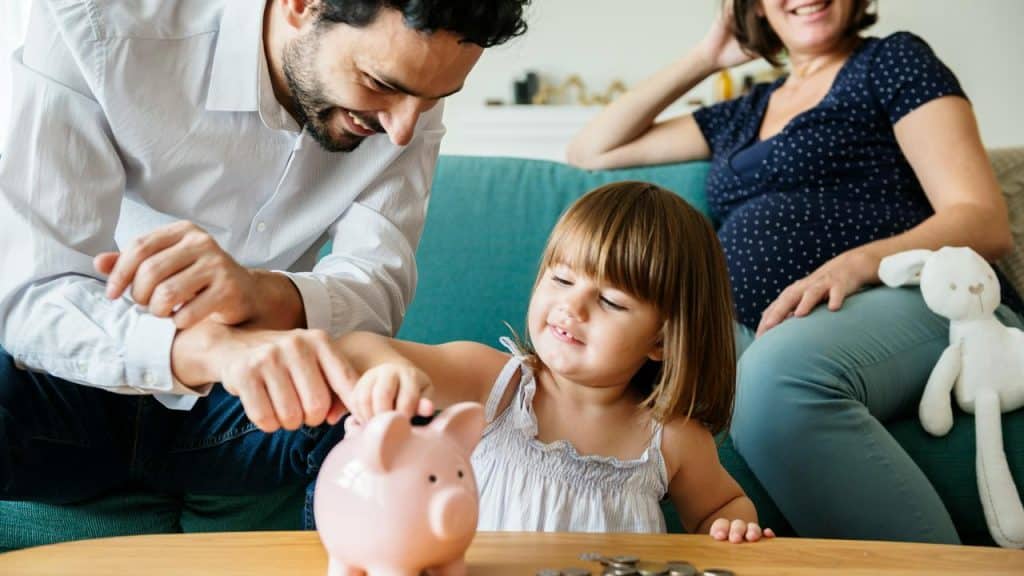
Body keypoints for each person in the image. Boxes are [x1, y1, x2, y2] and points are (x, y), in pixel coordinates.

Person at [0, 0, 529, 529]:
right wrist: (209, 349)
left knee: (375, 413)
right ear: (303, 7)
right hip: (67, 395)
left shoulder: (408, 101)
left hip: (242, 416)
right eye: (378, 84)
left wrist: (260, 294)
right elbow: (33, 294)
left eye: (433, 101)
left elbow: (376, 291)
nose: (403, 130)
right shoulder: (93, 25)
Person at [566, 0, 1024, 543]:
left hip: (907, 294)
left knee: (775, 383)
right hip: (764, 325)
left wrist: (857, 263)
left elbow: (982, 220)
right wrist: (707, 56)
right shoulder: (746, 108)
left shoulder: (892, 62)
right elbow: (590, 150)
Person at [333, 182, 774, 542]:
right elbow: (357, 348)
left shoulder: (672, 437)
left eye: (610, 301)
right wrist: (391, 371)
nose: (572, 306)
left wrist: (732, 526)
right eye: (561, 279)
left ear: (661, 340)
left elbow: (721, 507)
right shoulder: (494, 383)